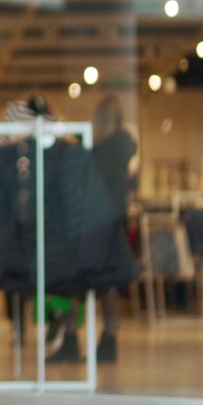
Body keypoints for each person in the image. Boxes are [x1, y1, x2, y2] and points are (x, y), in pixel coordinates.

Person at [51, 94, 137, 363]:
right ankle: (106, 338)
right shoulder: (117, 149)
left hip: (94, 222)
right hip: (110, 221)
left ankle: (72, 337)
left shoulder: (103, 151)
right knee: (103, 283)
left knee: (77, 279)